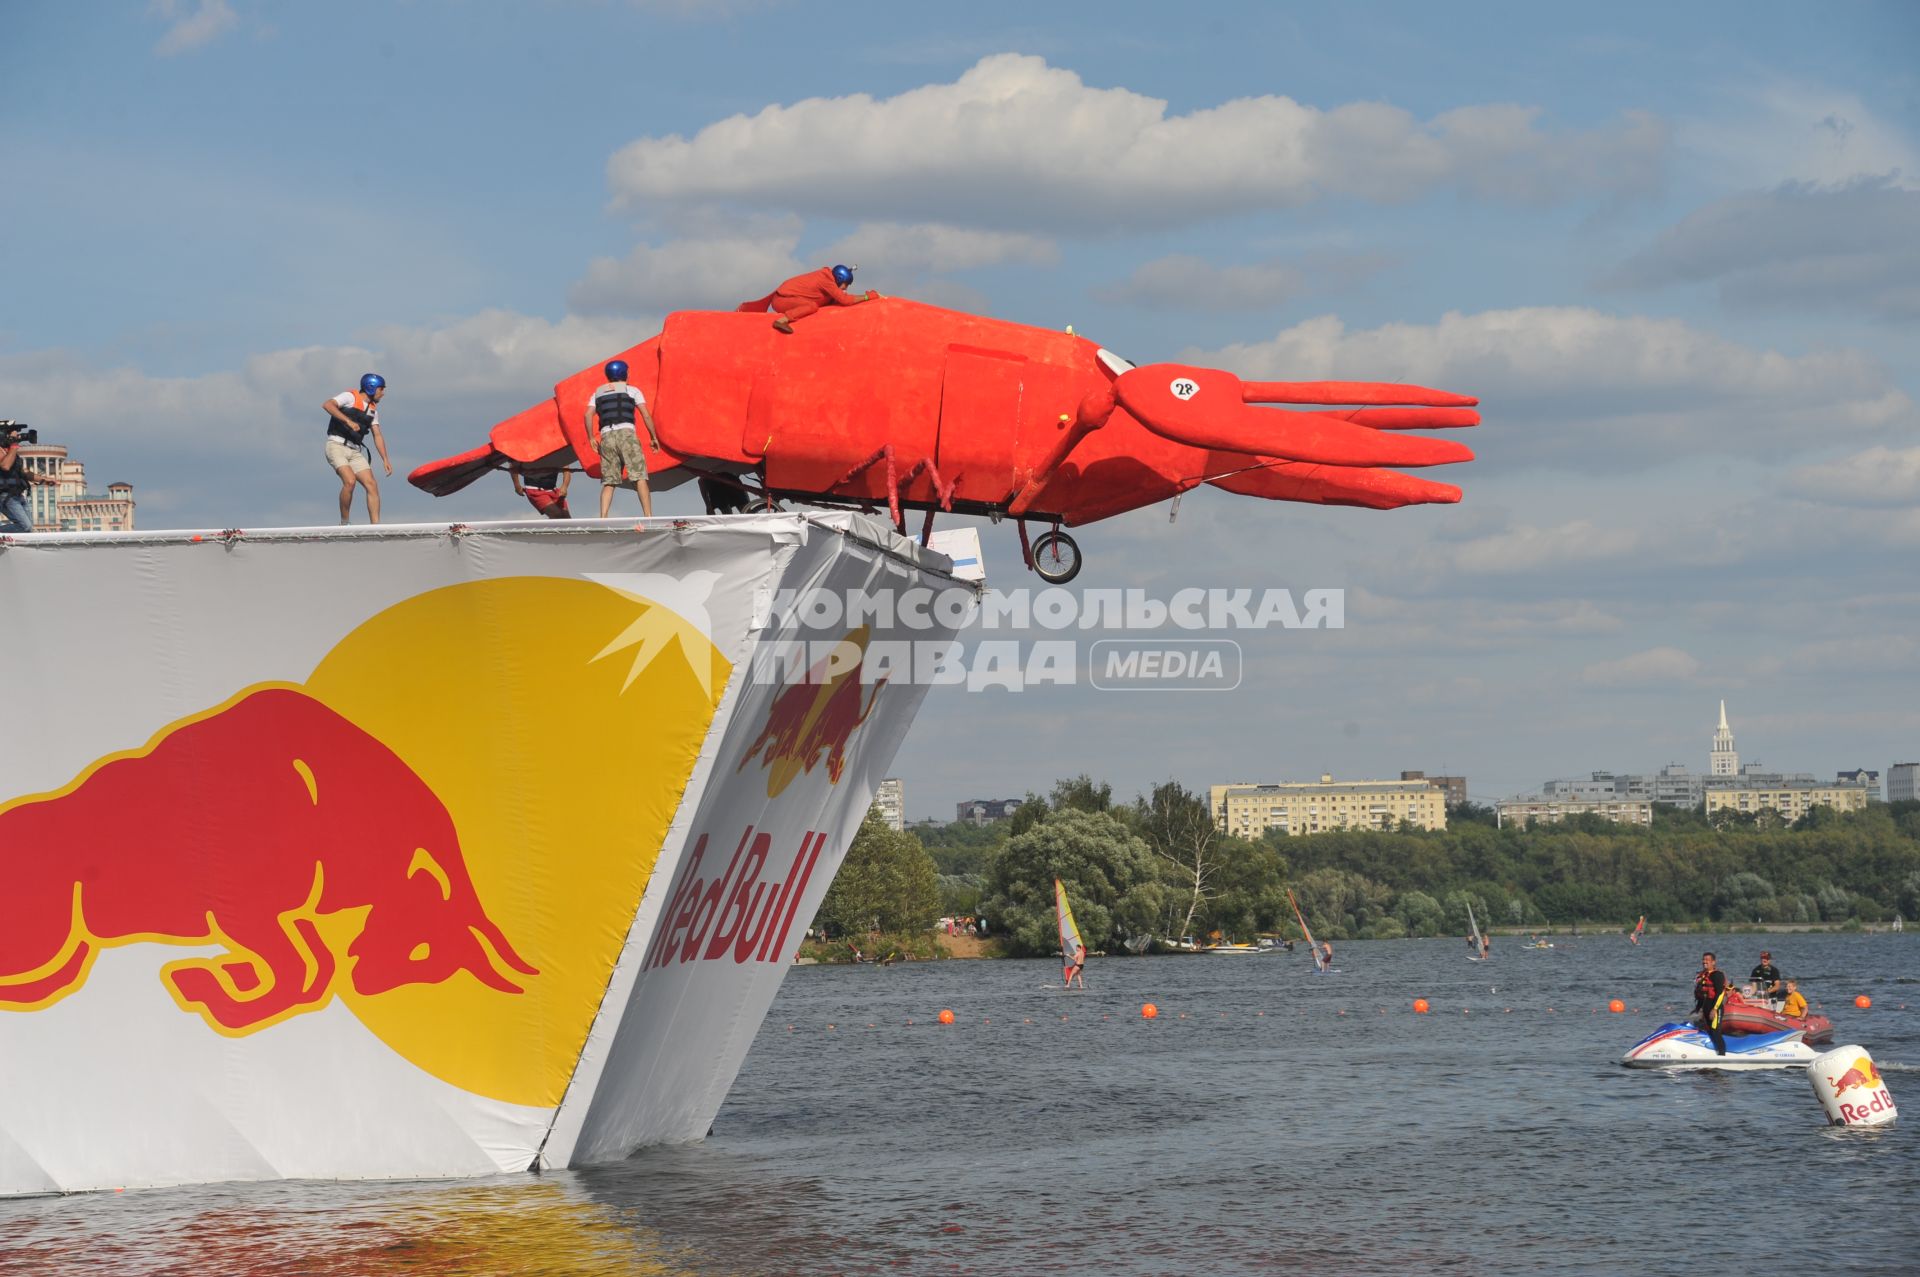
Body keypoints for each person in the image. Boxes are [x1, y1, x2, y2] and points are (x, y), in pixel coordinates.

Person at [583, 360, 658, 518]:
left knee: (609, 481)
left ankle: (603, 517)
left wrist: (590, 437)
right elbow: (645, 415)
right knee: (639, 476)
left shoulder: (598, 393)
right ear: (625, 373)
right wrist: (653, 436)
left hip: (606, 436)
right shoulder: (632, 390)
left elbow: (588, 414)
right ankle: (648, 516)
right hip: (626, 434)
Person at [323, 373, 393, 524]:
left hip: (354, 450)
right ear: (371, 388)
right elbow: (327, 405)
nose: (383, 393)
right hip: (336, 445)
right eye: (381, 389)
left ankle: (376, 527)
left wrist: (385, 459)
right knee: (350, 481)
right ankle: (344, 522)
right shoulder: (350, 397)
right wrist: (348, 421)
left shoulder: (373, 411)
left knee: (372, 484)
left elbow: (377, 435)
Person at [738, 264, 881, 334]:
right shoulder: (827, 281)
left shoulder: (827, 280)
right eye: (845, 285)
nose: (845, 288)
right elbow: (845, 300)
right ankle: (782, 321)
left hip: (788, 298)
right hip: (783, 300)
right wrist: (868, 296)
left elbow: (839, 299)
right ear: (839, 279)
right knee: (812, 306)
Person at [0, 428, 55, 533]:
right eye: (10, 436)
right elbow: (5, 466)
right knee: (25, 527)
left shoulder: (10, 453)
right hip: (5, 496)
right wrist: (14, 445)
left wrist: (44, 480)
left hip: (17, 495)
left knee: (28, 529)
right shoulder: (4, 451)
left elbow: (23, 472)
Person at [1692, 951, 1729, 1056]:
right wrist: (1697, 1008)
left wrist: (1715, 1009)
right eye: (1703, 960)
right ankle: (1713, 1052)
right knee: (1708, 1031)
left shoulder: (1717, 975)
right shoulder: (1702, 975)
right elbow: (1701, 995)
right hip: (1706, 1007)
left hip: (1715, 1008)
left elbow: (1720, 993)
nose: (1704, 962)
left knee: (1716, 1031)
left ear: (1713, 962)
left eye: (1707, 960)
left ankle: (1722, 1055)